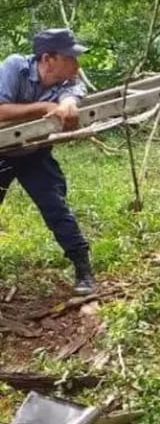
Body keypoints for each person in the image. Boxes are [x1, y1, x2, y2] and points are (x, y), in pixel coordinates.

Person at [0, 28, 94, 296]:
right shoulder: (14, 67)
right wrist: (43, 108)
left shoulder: (67, 81)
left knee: (56, 208)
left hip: (34, 153)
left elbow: (74, 93)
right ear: (48, 59)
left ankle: (83, 268)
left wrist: (67, 102)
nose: (76, 64)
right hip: (2, 153)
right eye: (69, 58)